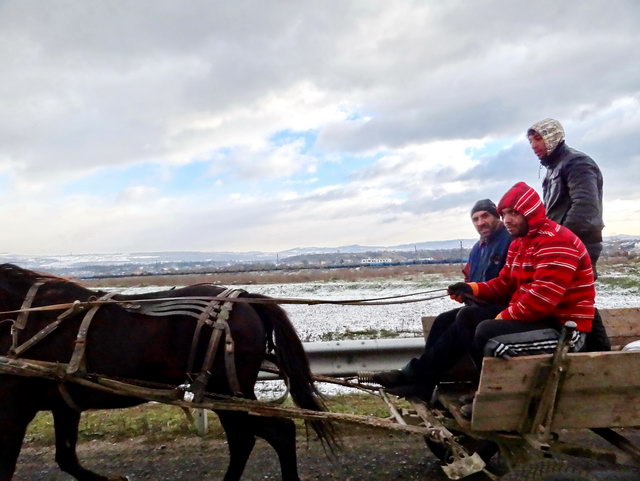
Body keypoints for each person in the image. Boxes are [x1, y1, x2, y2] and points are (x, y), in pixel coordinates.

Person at [372, 182, 595, 403]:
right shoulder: (520, 243)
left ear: (531, 213)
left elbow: (541, 301)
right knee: (449, 320)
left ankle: (488, 396)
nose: (507, 219)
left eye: (513, 213)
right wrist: (472, 288)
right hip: (538, 319)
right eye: (504, 213)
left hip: (563, 328)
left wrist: (500, 318)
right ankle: (421, 383)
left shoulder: (555, 242)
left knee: (485, 328)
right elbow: (505, 282)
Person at [528, 119, 609, 351]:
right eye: (531, 140)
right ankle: (599, 357)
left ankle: (603, 357)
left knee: (577, 299)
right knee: (575, 300)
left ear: (553, 137)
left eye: (538, 138)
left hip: (578, 244)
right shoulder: (554, 167)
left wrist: (558, 240)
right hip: (564, 243)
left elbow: (585, 209)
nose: (534, 145)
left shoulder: (577, 163)